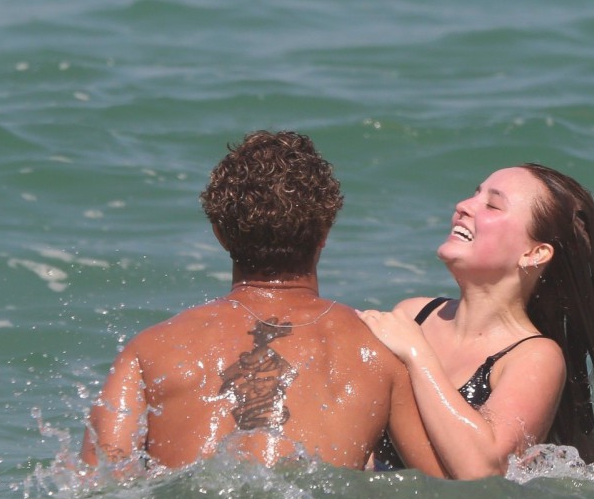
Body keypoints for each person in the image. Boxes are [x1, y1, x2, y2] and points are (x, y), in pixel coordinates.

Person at [81, 130, 443, 477]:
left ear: (219, 234)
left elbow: (97, 482)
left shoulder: (150, 350)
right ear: (325, 233)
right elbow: (444, 489)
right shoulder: (378, 351)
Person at [359, 163, 594, 482]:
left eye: (492, 205)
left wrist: (417, 354)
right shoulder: (414, 315)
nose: (463, 206)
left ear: (534, 254)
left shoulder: (535, 357)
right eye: (475, 194)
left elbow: (483, 472)